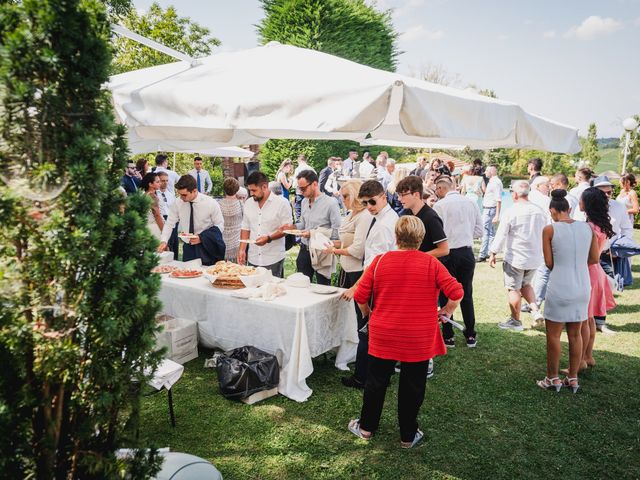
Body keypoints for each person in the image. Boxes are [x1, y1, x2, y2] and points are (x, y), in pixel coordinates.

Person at [347, 216, 463, 448]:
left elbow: (360, 295)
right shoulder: (431, 263)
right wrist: (446, 311)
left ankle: (367, 427)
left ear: (396, 236)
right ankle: (407, 435)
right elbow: (456, 291)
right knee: (413, 384)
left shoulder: (380, 261)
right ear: (421, 239)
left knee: (376, 381)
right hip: (418, 334)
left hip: (384, 331)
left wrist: (368, 312)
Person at [537, 190, 600, 394]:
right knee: (576, 334)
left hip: (560, 285)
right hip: (582, 285)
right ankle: (572, 378)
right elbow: (594, 259)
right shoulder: (587, 229)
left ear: (553, 211)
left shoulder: (549, 230)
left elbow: (548, 262)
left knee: (553, 335)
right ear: (569, 209)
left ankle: (552, 377)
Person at [340, 179, 399, 389]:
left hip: (377, 284)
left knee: (366, 330)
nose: (369, 208)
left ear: (383, 197)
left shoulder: (384, 225)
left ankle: (362, 377)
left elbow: (375, 264)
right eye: (364, 203)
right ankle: (383, 369)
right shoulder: (386, 217)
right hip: (382, 282)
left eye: (372, 202)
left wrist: (357, 287)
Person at [322, 181, 372, 389]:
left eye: (345, 196)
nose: (342, 200)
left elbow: (359, 248)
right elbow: (345, 242)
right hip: (346, 269)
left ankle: (361, 356)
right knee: (348, 312)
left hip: (358, 271)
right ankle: (349, 351)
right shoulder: (350, 215)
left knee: (361, 316)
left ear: (355, 195)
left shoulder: (365, 216)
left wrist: (335, 251)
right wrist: (329, 243)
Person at [489, 180, 547, 330]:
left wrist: (493, 251)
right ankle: (535, 310)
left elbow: (501, 234)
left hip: (516, 257)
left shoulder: (511, 211)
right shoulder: (539, 210)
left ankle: (515, 321)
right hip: (534, 256)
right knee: (526, 285)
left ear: (514, 194)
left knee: (513, 288)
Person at [433, 175, 482, 348]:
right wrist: (465, 235)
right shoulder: (471, 202)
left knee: (445, 294)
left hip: (446, 253)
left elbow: (436, 234)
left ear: (440, 189)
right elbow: (479, 231)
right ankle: (470, 334)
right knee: (466, 293)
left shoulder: (439, 205)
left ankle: (449, 336)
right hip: (466, 252)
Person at [280, 170, 341, 284]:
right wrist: (292, 227)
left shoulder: (331, 203)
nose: (301, 192)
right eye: (299, 189)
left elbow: (337, 231)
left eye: (303, 189)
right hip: (304, 249)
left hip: (321, 251)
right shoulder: (304, 202)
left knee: (323, 287)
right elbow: (303, 224)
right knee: (301, 285)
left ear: (314, 184)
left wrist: (314, 234)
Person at [579, 187, 616, 371]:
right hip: (598, 272)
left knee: (584, 321)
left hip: (589, 272)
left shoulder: (588, 228)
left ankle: (580, 361)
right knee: (591, 318)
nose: (579, 202)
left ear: (587, 204)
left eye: (581, 199)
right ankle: (588, 355)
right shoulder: (601, 225)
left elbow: (589, 256)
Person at [592, 175, 631, 334]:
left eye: (610, 192)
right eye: (604, 193)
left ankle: (600, 321)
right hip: (589, 253)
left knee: (606, 286)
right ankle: (584, 318)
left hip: (609, 253)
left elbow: (627, 229)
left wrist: (619, 248)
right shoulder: (588, 205)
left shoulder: (618, 206)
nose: (608, 195)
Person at [158, 175, 225, 264]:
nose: (181, 197)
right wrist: (164, 241)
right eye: (179, 194)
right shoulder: (178, 203)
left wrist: (202, 238)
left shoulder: (210, 203)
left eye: (184, 195)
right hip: (188, 247)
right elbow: (169, 223)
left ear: (194, 191)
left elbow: (220, 225)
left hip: (206, 245)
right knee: (188, 273)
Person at [239, 172, 292, 277]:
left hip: (273, 258)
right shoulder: (248, 203)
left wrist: (268, 238)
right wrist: (242, 249)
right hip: (253, 257)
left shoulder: (282, 203)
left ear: (264, 187)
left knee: (272, 291)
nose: (251, 193)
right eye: (250, 190)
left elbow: (287, 229)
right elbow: (245, 227)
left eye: (254, 190)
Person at [396, 176, 449, 259]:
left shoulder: (431, 217)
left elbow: (444, 249)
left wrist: (417, 257)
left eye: (403, 195)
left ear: (416, 194)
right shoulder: (405, 214)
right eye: (398, 195)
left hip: (426, 267)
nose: (399, 199)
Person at [478, 165, 503, 262]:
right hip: (490, 208)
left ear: (492, 171)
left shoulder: (495, 182)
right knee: (491, 232)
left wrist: (497, 214)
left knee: (485, 231)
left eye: (487, 171)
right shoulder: (493, 181)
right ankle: (489, 252)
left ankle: (482, 254)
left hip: (490, 209)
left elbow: (498, 199)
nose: (485, 172)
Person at [218, 177, 244, 262]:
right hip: (237, 243)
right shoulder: (240, 204)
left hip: (221, 242)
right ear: (237, 189)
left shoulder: (218, 204)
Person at [156, 171, 179, 257]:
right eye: (162, 180)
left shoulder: (170, 194)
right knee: (165, 242)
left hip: (172, 219)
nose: (165, 183)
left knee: (174, 242)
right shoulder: (155, 194)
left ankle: (175, 259)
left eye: (166, 181)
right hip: (162, 219)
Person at [141, 172, 164, 240]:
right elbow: (157, 215)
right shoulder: (152, 196)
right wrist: (164, 231)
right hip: (154, 228)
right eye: (157, 182)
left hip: (146, 227)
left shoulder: (144, 195)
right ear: (150, 184)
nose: (160, 183)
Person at [292, 154, 315, 220]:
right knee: (309, 205)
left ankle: (299, 219)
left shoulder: (298, 169)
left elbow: (296, 181)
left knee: (299, 205)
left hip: (300, 191)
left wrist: (293, 186)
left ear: (299, 160)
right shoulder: (311, 169)